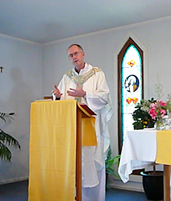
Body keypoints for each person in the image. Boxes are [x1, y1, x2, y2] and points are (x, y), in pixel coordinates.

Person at [52, 44, 113, 201]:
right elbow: (62, 102)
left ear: (83, 54)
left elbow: (104, 97)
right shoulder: (67, 78)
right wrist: (58, 97)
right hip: (73, 128)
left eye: (76, 53)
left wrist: (84, 94)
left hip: (91, 126)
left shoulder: (97, 74)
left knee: (92, 160)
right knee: (74, 163)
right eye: (71, 55)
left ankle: (94, 198)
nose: (74, 57)